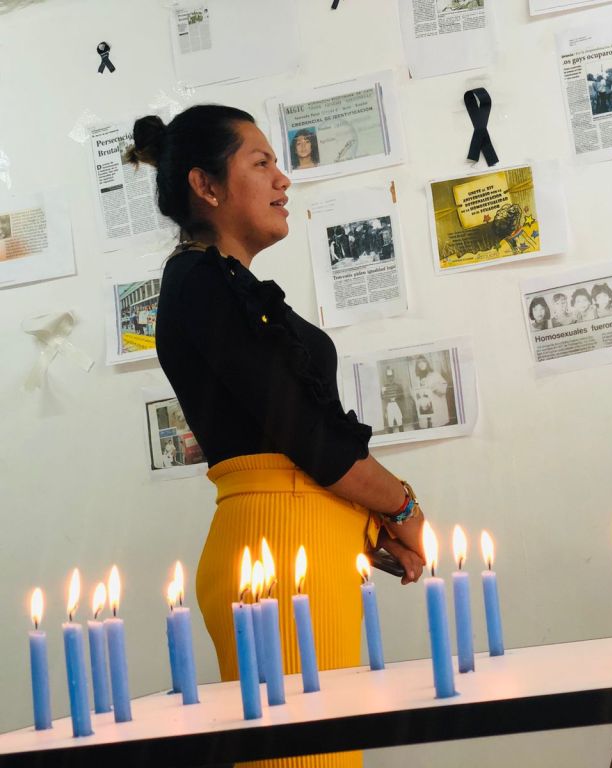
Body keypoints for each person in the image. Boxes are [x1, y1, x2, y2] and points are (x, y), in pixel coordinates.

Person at [129, 104, 425, 768]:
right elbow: (308, 435)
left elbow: (300, 431)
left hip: (297, 540)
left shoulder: (224, 283)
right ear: (206, 185)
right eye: (260, 163)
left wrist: (367, 518)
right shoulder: (201, 282)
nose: (282, 178)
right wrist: (403, 506)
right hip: (281, 546)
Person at [412, 356, 450, 428]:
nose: (421, 364)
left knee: (437, 426)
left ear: (427, 363)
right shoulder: (416, 378)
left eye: (423, 361)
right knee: (427, 427)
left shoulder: (435, 374)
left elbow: (444, 386)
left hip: (436, 405)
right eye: (419, 363)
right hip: (424, 406)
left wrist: (435, 388)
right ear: (417, 366)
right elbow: (415, 392)